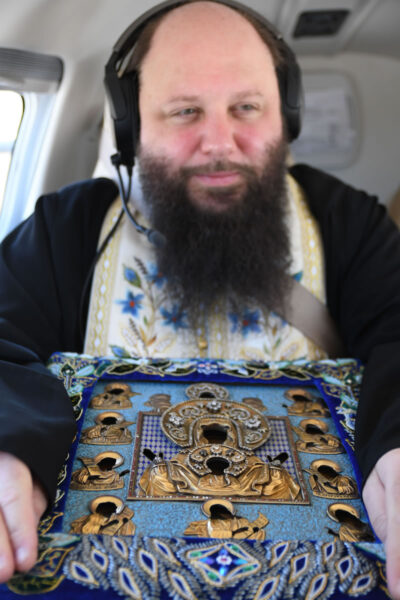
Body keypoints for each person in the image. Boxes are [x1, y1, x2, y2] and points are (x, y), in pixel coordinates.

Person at [0, 1, 400, 597]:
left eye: (247, 108)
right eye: (185, 111)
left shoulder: (347, 223)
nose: (220, 143)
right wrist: (8, 444)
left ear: (285, 115)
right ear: (132, 127)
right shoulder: (68, 228)